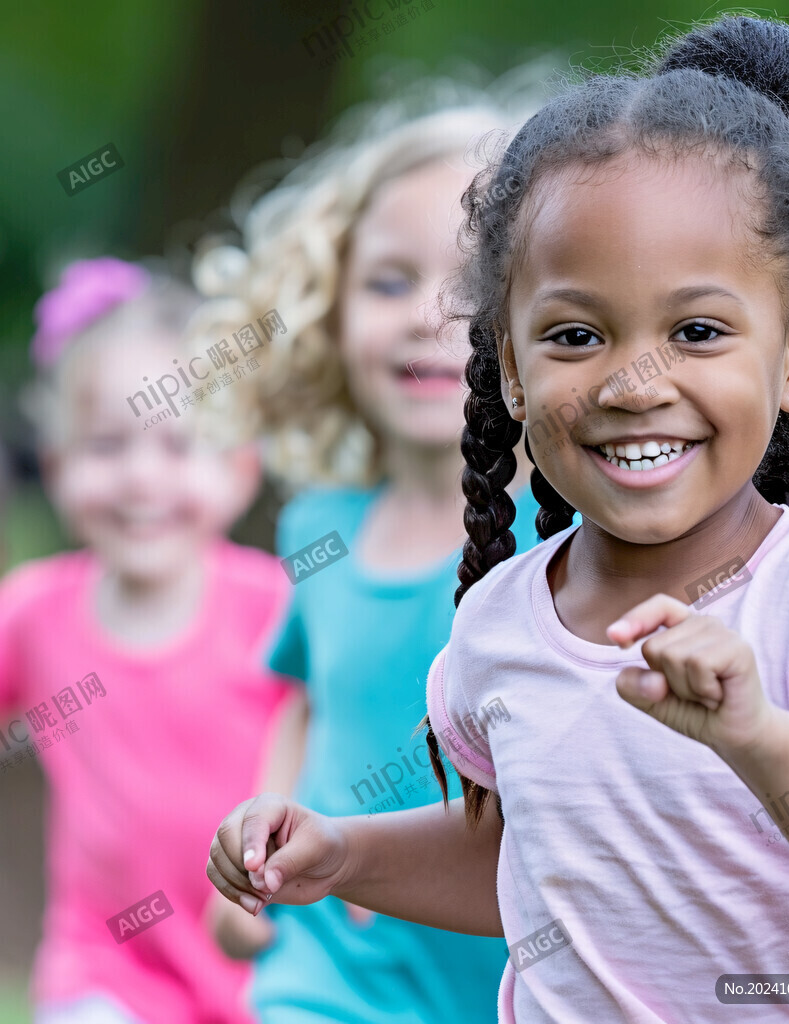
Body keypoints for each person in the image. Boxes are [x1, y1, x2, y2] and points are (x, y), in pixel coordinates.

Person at [208, 16, 789, 1023]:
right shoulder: (501, 621)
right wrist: (345, 851)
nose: (632, 382)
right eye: (576, 334)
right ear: (510, 372)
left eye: (696, 330)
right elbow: (527, 856)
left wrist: (763, 739)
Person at [193, 83, 543, 1022]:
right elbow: (311, 704)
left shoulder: (570, 545)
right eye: (388, 280)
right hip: (325, 983)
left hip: (506, 980)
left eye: (472, 287)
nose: (428, 314)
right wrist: (258, 845)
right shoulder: (320, 529)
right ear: (327, 304)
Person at [0, 257, 292, 1024]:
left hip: (266, 960)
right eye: (105, 447)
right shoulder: (33, 611)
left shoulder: (275, 605)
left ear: (238, 468)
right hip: (103, 969)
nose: (140, 479)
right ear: (58, 466)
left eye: (177, 447)